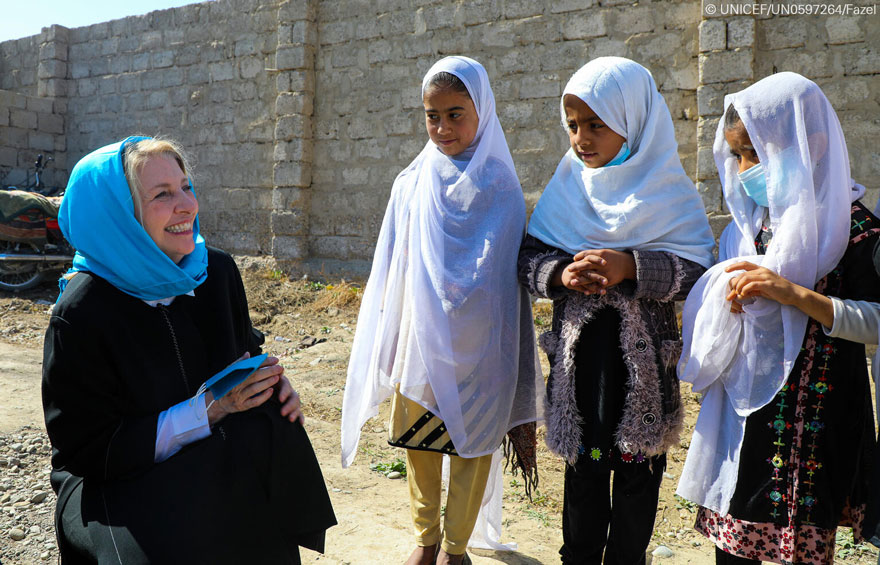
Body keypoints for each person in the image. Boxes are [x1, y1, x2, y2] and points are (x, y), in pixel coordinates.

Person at [43, 137, 336, 564]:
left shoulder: (214, 272)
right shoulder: (82, 312)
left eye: (186, 187)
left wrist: (270, 383)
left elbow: (243, 355)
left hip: (210, 449)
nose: (187, 206)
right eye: (162, 195)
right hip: (117, 475)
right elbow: (88, 451)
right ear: (118, 214)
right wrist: (205, 412)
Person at [341, 56, 543, 565]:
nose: (442, 127)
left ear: (482, 111)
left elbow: (499, 273)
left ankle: (455, 547)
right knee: (421, 440)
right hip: (423, 338)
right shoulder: (411, 183)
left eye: (456, 114)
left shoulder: (499, 185)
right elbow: (396, 265)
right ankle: (425, 537)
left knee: (474, 443)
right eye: (432, 116)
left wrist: (457, 295)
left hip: (480, 344)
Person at [518, 57, 715, 565]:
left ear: (633, 121)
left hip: (641, 377)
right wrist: (561, 274)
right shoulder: (567, 186)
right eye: (572, 126)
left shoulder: (669, 195)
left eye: (595, 125)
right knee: (584, 468)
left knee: (637, 473)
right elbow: (527, 258)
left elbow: (699, 274)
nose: (581, 139)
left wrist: (631, 266)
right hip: (583, 371)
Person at [676, 72, 880, 564]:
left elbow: (875, 321)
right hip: (749, 415)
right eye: (737, 156)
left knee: (804, 543)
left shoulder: (855, 229)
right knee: (734, 540)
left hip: (818, 418)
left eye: (755, 153)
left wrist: (795, 295)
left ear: (811, 145)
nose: (745, 169)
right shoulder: (752, 227)